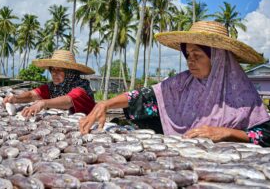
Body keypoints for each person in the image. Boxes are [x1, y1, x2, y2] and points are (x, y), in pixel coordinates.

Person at [80, 21, 270, 147]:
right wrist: (105, 104)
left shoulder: (244, 96)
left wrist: (227, 133)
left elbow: (264, 135)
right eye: (188, 55)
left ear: (219, 59)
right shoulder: (183, 82)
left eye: (197, 55)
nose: (190, 61)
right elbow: (146, 96)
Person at [3, 50, 96, 117]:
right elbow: (32, 95)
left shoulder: (81, 87)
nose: (54, 73)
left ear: (70, 72)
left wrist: (43, 103)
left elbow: (69, 101)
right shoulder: (53, 87)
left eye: (59, 70)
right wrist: (16, 98)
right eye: (52, 69)